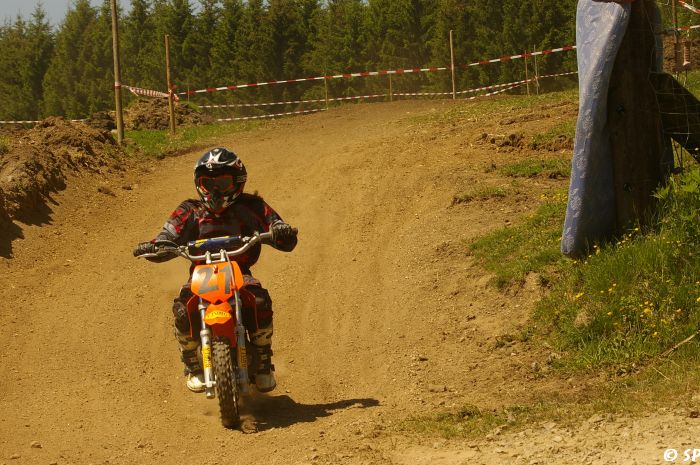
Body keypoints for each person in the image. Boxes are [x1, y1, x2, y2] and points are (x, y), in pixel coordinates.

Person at [133, 147, 297, 393]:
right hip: (201, 274)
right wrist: (157, 245)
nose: (215, 190)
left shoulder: (252, 206)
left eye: (222, 182)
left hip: (240, 272)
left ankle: (263, 360)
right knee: (182, 309)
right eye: (208, 184)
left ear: (237, 181)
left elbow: (276, 226)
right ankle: (192, 364)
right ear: (199, 183)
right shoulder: (189, 210)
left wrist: (280, 229)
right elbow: (168, 233)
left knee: (259, 301)